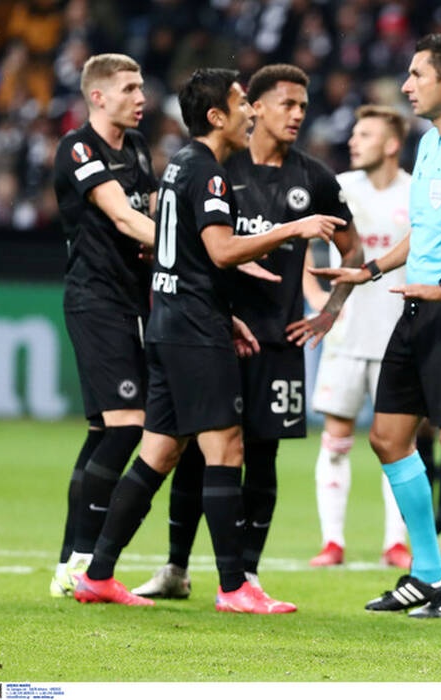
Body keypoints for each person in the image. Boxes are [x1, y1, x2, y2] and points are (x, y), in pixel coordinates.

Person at [71, 67, 343, 612]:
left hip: (174, 323)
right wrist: (294, 227)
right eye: (243, 102)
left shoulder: (179, 167)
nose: (249, 112)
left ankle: (97, 574)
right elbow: (219, 251)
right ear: (217, 115)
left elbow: (181, 256)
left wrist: (223, 313)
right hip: (194, 333)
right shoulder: (211, 174)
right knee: (227, 449)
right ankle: (234, 586)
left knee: (158, 454)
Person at [304, 33, 441, 618]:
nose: (406, 85)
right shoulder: (431, 145)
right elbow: (424, 232)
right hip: (415, 306)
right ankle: (424, 572)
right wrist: (369, 268)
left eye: (416, 75)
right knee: (388, 438)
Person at [49, 53, 158, 598]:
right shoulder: (78, 147)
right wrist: (188, 250)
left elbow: (154, 209)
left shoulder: (136, 148)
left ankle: (69, 562)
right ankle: (88, 563)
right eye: (130, 88)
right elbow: (123, 215)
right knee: (126, 426)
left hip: (131, 301)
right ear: (98, 96)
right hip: (96, 301)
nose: (142, 97)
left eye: (141, 87)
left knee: (102, 433)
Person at [307, 104, 414, 570]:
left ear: (391, 144)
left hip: (396, 335)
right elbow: (301, 246)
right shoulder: (340, 188)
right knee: (335, 437)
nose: (353, 140)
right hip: (345, 333)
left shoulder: (415, 195)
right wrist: (315, 298)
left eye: (365, 133)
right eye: (354, 132)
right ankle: (332, 541)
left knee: (397, 444)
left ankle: (396, 543)